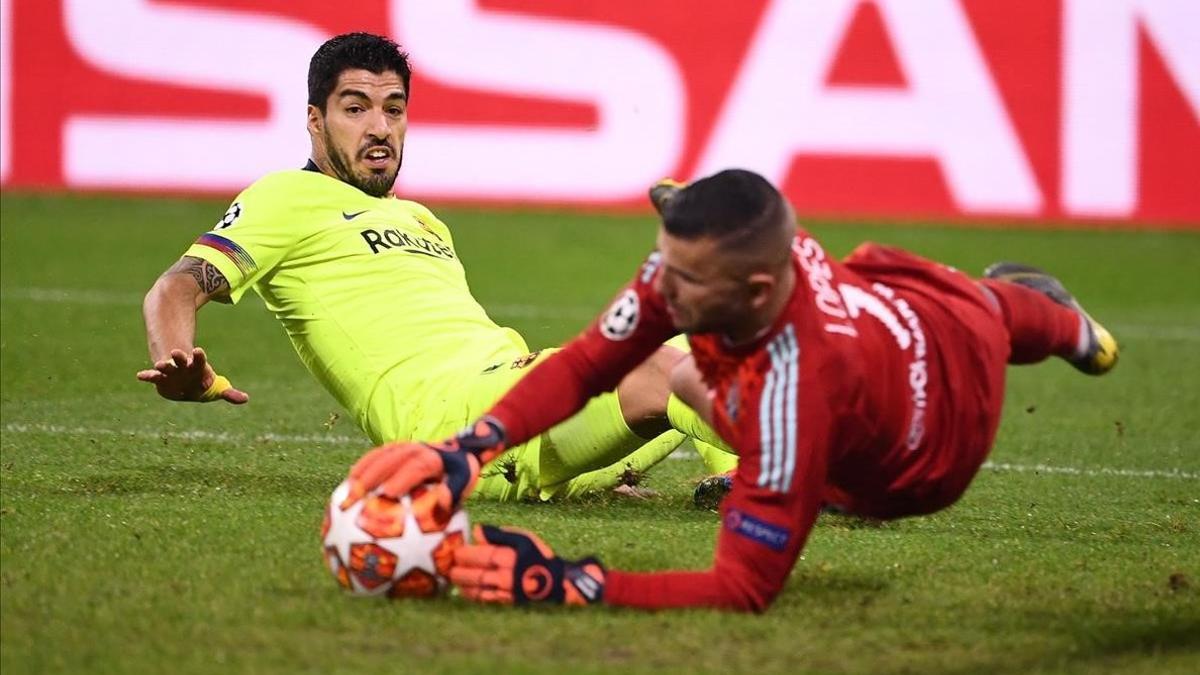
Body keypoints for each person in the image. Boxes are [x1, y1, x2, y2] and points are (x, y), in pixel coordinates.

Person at [344, 168, 1119, 611]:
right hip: (885, 303)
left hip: (932, 444)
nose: (657, 288)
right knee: (688, 367)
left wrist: (570, 581)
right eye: (663, 261)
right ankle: (1055, 320)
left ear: (752, 287)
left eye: (683, 279)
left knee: (986, 318)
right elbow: (587, 363)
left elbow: (742, 587)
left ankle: (1070, 327)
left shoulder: (798, 392)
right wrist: (471, 447)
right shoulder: (708, 273)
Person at [136, 31, 733, 502]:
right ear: (315, 119)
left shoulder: (422, 219)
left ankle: (730, 479)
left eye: (394, 109)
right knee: (656, 363)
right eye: (356, 108)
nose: (379, 128)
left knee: (699, 328)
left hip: (519, 395)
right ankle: (807, 468)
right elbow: (177, 286)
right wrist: (173, 359)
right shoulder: (282, 198)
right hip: (456, 434)